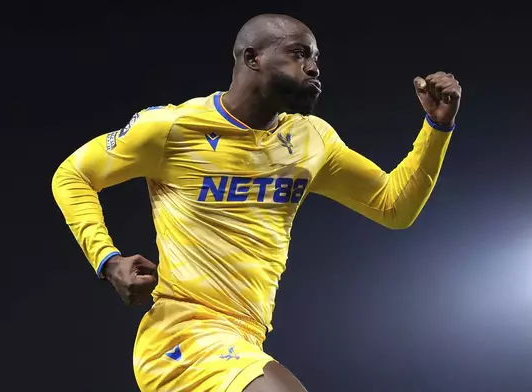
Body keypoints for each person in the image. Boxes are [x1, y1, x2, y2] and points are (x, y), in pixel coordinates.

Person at [51, 13, 461, 392]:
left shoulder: (312, 139)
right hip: (183, 335)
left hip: (246, 335)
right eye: (299, 53)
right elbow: (72, 175)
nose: (314, 67)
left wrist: (437, 128)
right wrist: (108, 260)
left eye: (316, 57)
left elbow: (394, 207)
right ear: (253, 58)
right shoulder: (172, 128)